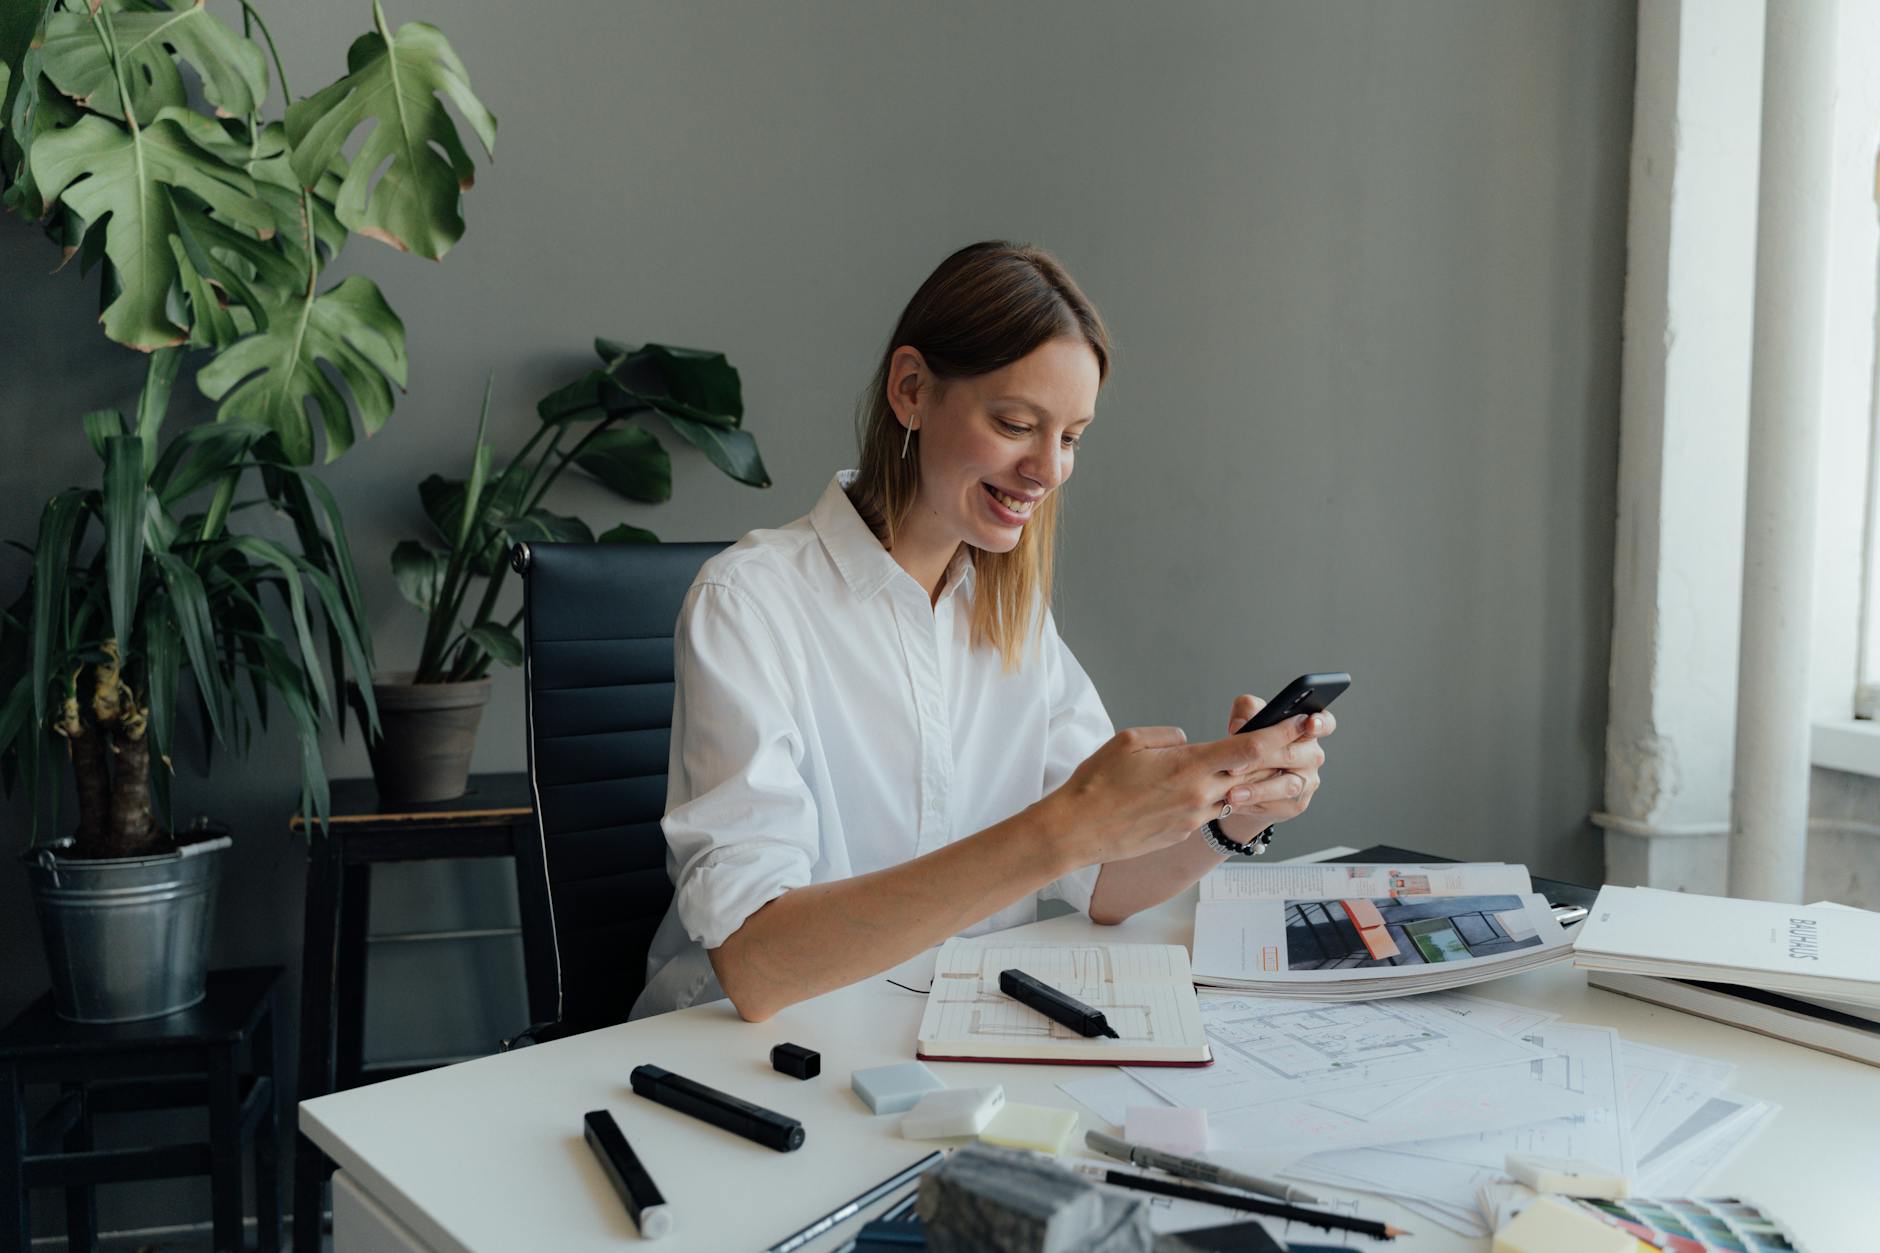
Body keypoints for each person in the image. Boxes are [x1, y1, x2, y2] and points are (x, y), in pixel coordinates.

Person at [630, 241, 1334, 1022]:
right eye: (1015, 423)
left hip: (937, 1034)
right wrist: (1054, 832)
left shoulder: (1010, 613)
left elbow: (1102, 881)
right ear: (911, 391)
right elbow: (759, 968)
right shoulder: (751, 603)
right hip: (738, 1055)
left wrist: (1238, 810)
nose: (1048, 469)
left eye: (1069, 437)